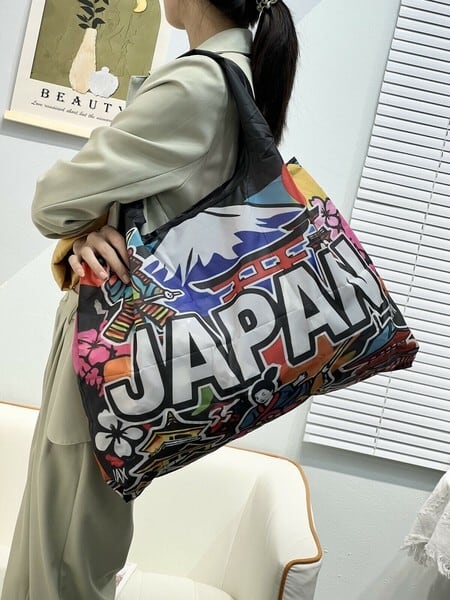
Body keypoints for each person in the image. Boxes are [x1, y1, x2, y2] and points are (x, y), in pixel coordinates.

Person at [1, 1, 298, 598]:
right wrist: (86, 236)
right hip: (139, 356)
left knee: (61, 563)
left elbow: (51, 200)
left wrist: (80, 229)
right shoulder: (237, 76)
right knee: (69, 552)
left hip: (111, 350)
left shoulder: (198, 83)